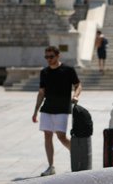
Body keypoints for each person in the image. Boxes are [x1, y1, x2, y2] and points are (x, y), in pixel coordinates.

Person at [32, 46, 82, 176]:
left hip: (62, 109)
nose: (48, 59)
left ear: (58, 56)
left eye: (51, 56)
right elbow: (41, 92)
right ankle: (50, 166)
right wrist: (35, 111)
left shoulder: (68, 70)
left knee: (61, 136)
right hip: (47, 109)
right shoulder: (44, 72)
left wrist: (76, 95)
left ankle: (76, 153)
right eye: (46, 57)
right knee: (47, 136)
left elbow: (78, 85)